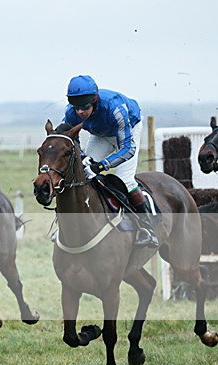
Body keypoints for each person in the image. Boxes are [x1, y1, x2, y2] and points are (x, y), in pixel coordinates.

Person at [61, 75, 158, 248]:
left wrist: (100, 166)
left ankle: (147, 228)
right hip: (101, 135)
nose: (80, 112)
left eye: (84, 107)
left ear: (95, 100)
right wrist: (83, 158)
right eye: (76, 107)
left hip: (128, 132)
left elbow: (128, 149)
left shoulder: (115, 109)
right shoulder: (71, 113)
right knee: (82, 174)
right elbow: (67, 138)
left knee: (124, 180)